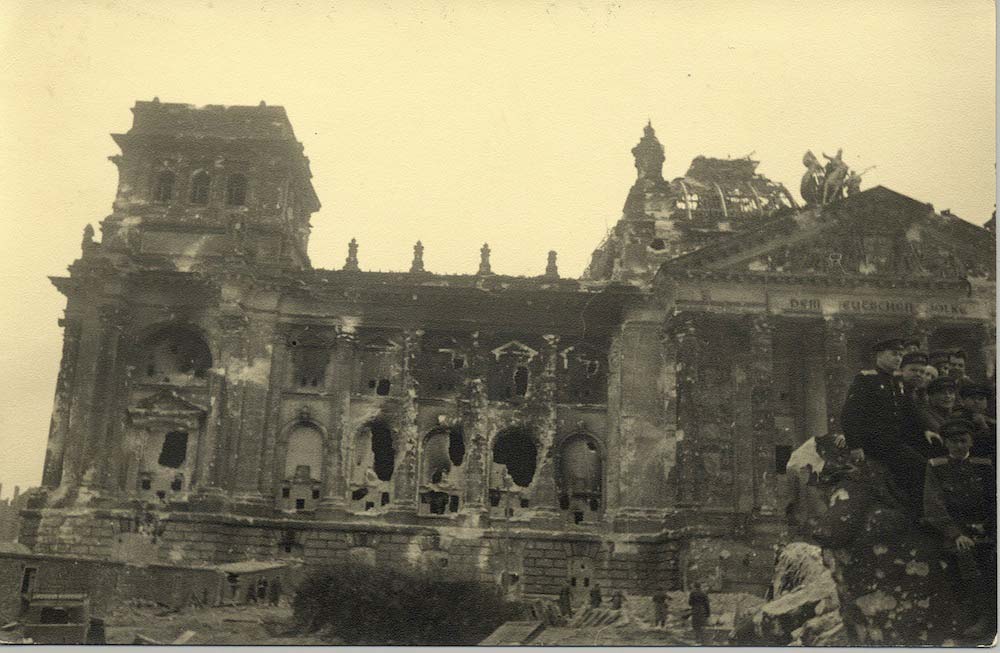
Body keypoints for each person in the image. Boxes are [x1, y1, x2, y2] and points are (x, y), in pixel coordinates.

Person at [922, 418, 996, 638]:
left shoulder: (985, 465)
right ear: (946, 443)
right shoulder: (936, 467)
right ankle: (984, 617)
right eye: (953, 442)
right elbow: (933, 505)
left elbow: (994, 500)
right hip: (957, 531)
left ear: (971, 441)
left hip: (988, 528)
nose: (959, 446)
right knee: (967, 559)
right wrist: (956, 534)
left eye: (963, 441)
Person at [841, 338, 927, 511]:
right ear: (879, 355)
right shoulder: (866, 379)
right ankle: (916, 512)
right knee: (918, 465)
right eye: (894, 354)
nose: (898, 358)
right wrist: (855, 445)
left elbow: (908, 411)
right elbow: (850, 414)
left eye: (900, 355)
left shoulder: (896, 381)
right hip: (875, 441)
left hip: (894, 440)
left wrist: (926, 431)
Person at [954, 383, 996, 463]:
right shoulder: (958, 418)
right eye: (972, 398)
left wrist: (984, 424)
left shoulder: (990, 419)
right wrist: (983, 426)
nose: (976, 401)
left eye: (981, 399)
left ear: (986, 402)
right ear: (963, 401)